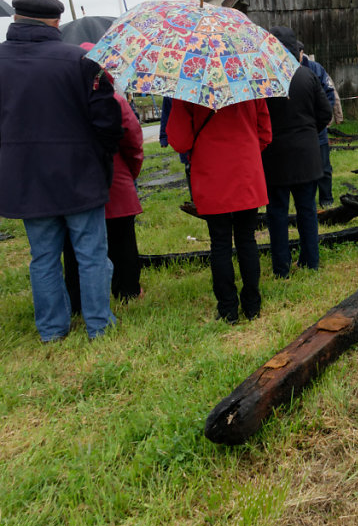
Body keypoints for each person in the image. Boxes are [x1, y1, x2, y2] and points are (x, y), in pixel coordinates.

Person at [0, 0, 122, 342]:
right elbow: (108, 121)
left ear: (16, 19)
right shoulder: (82, 61)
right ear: (55, 22)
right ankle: (99, 324)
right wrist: (101, 156)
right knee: (92, 254)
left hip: (24, 177)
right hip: (80, 174)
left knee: (43, 258)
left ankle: (52, 330)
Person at [167, 98, 272, 323]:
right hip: (246, 170)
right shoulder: (247, 81)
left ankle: (228, 310)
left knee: (220, 243)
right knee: (247, 239)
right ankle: (253, 306)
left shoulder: (188, 88)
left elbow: (180, 141)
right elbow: (265, 133)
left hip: (211, 174)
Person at [64, 43, 145, 307]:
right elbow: (133, 140)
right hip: (117, 180)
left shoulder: (66, 101)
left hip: (76, 183)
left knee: (77, 246)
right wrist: (131, 172)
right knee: (123, 241)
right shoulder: (115, 100)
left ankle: (78, 299)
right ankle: (128, 290)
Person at [262, 26, 332, 278]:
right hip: (307, 156)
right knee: (307, 211)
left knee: (277, 214)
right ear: (294, 51)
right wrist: (308, 132)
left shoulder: (262, 81)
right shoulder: (307, 76)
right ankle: (310, 261)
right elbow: (326, 113)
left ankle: (281, 268)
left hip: (274, 158)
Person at [298, 40, 342, 208]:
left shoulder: (316, 68)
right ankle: (306, 200)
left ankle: (326, 199)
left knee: (324, 167)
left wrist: (321, 119)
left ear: (303, 52)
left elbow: (330, 94)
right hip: (300, 129)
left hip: (318, 127)